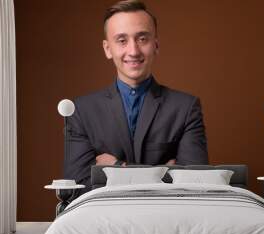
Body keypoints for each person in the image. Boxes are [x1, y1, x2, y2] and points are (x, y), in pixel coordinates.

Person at [64, 0, 208, 194]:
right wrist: (164, 172)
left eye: (142, 39)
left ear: (155, 45)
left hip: (166, 221)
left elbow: (195, 184)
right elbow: (77, 187)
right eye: (122, 40)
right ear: (108, 49)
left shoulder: (186, 108)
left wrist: (117, 166)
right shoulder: (81, 110)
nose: (133, 51)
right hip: (106, 221)